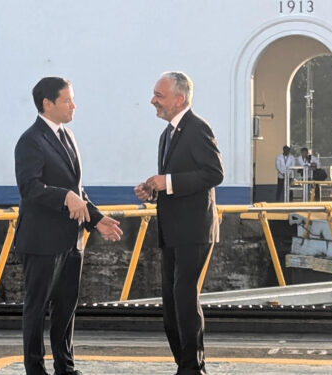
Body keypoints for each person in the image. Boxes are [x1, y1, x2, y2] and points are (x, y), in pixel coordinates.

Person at [14, 76, 123, 375]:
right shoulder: (30, 141)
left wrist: (97, 219)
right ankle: (35, 369)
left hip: (71, 239)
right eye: (67, 100)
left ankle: (66, 367)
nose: (74, 105)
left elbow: (77, 189)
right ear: (47, 104)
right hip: (42, 240)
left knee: (66, 309)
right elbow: (30, 188)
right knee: (36, 309)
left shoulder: (68, 136)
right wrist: (65, 197)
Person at [134, 71, 223, 375]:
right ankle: (184, 364)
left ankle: (192, 368)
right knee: (171, 306)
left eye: (158, 95)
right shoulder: (167, 135)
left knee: (185, 300)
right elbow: (176, 184)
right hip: (172, 231)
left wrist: (167, 181)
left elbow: (215, 174)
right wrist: (155, 191)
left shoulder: (198, 129)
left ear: (179, 98)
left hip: (194, 230)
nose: (152, 101)